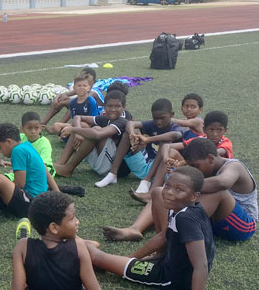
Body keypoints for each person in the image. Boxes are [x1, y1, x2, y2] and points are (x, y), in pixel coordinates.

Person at [86, 166, 215, 290]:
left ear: (194, 196)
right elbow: (163, 237)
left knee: (97, 257)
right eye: (168, 186)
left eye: (179, 190)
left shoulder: (185, 219)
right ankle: (92, 246)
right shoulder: (188, 208)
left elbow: (201, 265)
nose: (169, 192)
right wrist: (130, 258)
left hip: (170, 277)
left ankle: (81, 243)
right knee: (157, 192)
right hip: (171, 262)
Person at [103, 139, 256, 242]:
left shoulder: (234, 166)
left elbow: (222, 182)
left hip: (242, 225)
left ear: (210, 159)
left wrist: (180, 187)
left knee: (216, 191)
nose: (195, 169)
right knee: (162, 193)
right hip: (211, 219)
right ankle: (136, 229)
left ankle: (168, 236)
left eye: (196, 166)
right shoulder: (204, 165)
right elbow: (167, 147)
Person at [2, 192, 117, 290]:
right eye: (72, 218)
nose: (77, 221)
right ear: (54, 228)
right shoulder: (78, 247)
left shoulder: (22, 248)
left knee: (26, 286)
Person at [129, 111, 233, 204]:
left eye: (219, 130)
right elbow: (166, 146)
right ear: (204, 129)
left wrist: (182, 163)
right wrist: (166, 159)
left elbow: (212, 155)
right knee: (171, 152)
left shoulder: (226, 143)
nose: (215, 134)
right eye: (211, 129)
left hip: (209, 180)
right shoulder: (200, 139)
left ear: (225, 130)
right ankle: (151, 193)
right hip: (195, 172)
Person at [53, 84, 132, 183]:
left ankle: (69, 168)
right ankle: (61, 163)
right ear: (104, 106)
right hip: (104, 160)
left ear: (123, 107)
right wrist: (77, 131)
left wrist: (74, 130)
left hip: (117, 168)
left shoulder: (123, 121)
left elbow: (97, 135)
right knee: (83, 125)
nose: (113, 109)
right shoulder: (106, 118)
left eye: (117, 106)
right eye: (110, 106)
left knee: (95, 130)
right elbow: (78, 117)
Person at [0, 123, 58, 218]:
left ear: (8, 141)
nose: (0, 151)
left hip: (31, 203)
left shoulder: (18, 151)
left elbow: (20, 184)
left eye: (0, 147)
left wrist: (3, 186)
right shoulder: (27, 146)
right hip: (36, 202)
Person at [125, 98, 185, 194]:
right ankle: (113, 173)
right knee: (127, 134)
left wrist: (149, 139)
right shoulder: (152, 124)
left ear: (171, 114)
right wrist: (132, 135)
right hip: (147, 167)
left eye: (162, 118)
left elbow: (175, 134)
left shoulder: (176, 127)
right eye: (155, 118)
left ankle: (147, 181)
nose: (158, 122)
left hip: (166, 170)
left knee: (165, 141)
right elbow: (130, 123)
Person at [45, 72, 99, 136]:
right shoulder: (72, 102)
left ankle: (73, 137)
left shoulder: (91, 101)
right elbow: (74, 120)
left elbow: (92, 121)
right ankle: (66, 137)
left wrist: (74, 128)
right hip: (76, 126)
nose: (82, 88)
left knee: (82, 124)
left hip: (88, 128)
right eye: (79, 85)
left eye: (84, 86)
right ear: (74, 88)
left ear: (89, 88)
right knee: (56, 125)